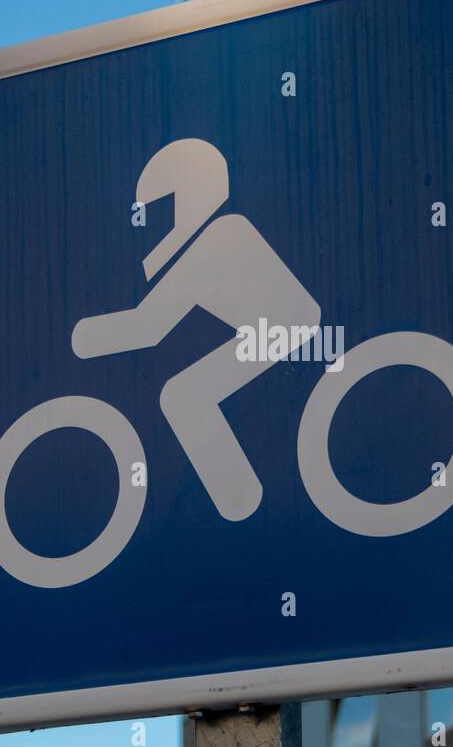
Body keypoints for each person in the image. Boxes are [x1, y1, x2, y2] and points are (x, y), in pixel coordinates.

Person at [71, 139, 320, 522]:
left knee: (183, 394)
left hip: (285, 326)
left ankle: (240, 500)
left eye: (160, 212)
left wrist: (82, 338)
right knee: (184, 391)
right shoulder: (215, 238)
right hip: (274, 326)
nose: (152, 228)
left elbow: (150, 326)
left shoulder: (218, 238)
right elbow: (155, 322)